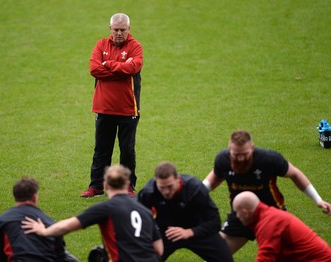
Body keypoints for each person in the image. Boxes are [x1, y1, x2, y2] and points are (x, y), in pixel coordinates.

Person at [203, 130, 331, 254]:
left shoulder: (269, 159)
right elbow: (213, 180)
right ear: (229, 150)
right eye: (236, 155)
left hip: (274, 216)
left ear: (252, 148)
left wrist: (318, 199)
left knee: (289, 256)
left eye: (245, 154)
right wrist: (192, 196)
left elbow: (295, 174)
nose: (241, 159)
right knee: (217, 254)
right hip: (242, 215)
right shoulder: (223, 160)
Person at [22, 165, 163, 262]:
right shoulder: (144, 210)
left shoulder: (107, 208)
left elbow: (69, 226)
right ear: (127, 185)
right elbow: (159, 249)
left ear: (106, 185)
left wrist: (44, 231)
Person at [81, 13, 143, 197]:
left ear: (129, 29)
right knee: (101, 149)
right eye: (116, 29)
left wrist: (107, 64)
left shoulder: (135, 47)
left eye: (123, 30)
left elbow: (133, 68)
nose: (119, 33)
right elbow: (94, 69)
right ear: (110, 29)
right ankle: (97, 186)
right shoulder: (101, 44)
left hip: (128, 109)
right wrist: (120, 68)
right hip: (103, 108)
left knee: (127, 152)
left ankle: (128, 186)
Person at [137, 161, 233, 262]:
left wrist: (190, 232)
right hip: (166, 232)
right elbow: (138, 218)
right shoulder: (149, 192)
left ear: (178, 179)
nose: (166, 192)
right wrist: (153, 236)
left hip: (196, 228)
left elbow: (215, 222)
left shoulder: (195, 189)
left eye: (170, 186)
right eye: (162, 188)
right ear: (156, 182)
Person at [0, 177, 78, 262]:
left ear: (15, 197)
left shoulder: (2, 221)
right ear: (34, 197)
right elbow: (60, 256)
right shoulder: (50, 223)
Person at [233, 191, 331, 261]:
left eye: (237, 212)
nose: (236, 216)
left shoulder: (268, 223)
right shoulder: (267, 216)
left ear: (246, 212)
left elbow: (265, 258)